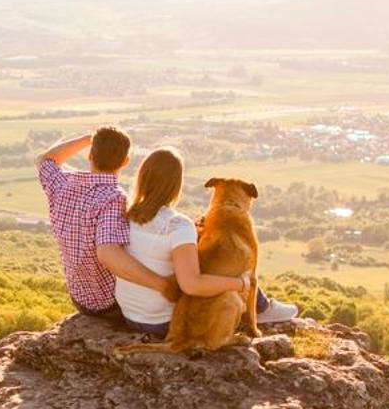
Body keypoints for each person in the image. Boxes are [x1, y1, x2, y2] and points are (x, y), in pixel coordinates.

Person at [113, 147, 301, 339]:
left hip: (130, 315)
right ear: (176, 185)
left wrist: (193, 236)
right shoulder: (177, 224)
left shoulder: (128, 213)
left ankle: (262, 306)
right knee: (224, 266)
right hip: (163, 322)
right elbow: (192, 285)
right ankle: (262, 309)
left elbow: (154, 248)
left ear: (142, 178)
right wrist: (240, 284)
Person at [37, 126, 172, 321]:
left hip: (79, 298)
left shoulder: (62, 185)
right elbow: (108, 252)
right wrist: (162, 285)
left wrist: (86, 138)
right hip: (109, 304)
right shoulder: (114, 199)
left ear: (90, 155)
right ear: (126, 162)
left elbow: (46, 159)